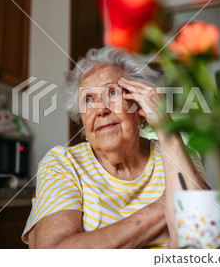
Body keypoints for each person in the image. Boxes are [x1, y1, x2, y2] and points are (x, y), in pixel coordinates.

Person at [22, 47, 210, 248]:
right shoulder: (62, 164)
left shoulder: (178, 154)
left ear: (139, 107)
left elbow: (203, 238)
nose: (101, 109)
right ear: (83, 119)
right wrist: (167, 205)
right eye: (88, 99)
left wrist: (167, 130)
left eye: (112, 92)